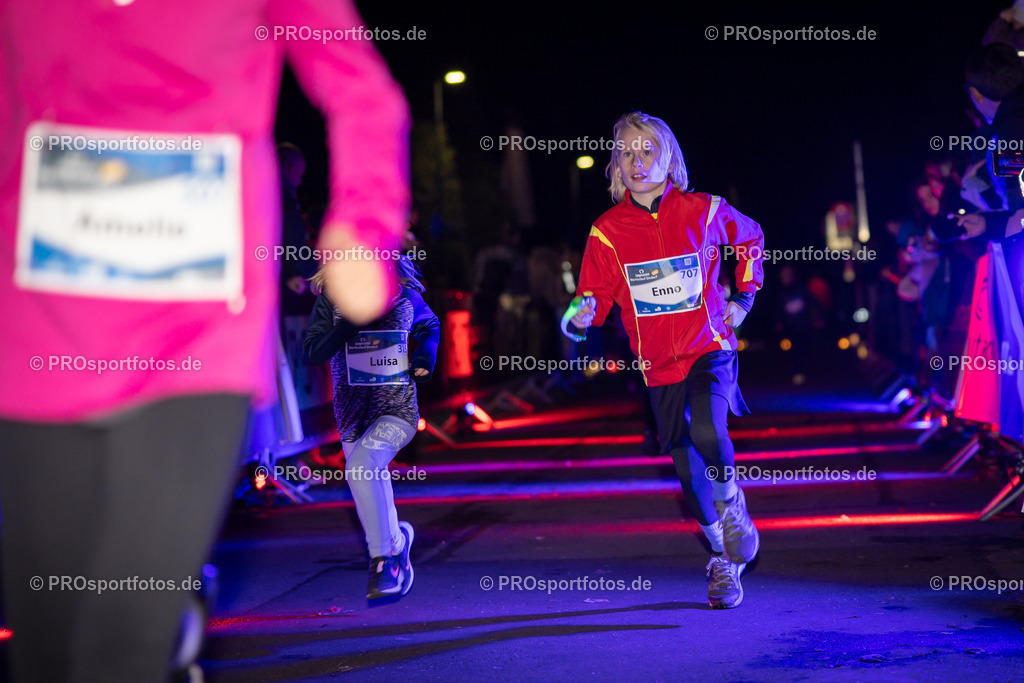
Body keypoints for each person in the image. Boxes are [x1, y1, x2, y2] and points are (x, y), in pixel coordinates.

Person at [0, 1, 409, 680]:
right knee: (46, 642)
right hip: (40, 326)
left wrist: (364, 227)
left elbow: (361, 89)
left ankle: (159, 621)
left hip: (193, 333)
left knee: (116, 643)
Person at [566, 111, 764, 609]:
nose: (637, 160)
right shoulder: (607, 231)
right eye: (627, 152)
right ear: (616, 165)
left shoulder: (705, 208)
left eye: (647, 149)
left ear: (668, 157)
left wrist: (743, 298)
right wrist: (581, 312)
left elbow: (750, 240)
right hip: (656, 365)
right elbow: (593, 294)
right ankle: (722, 557)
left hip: (709, 347)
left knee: (709, 432)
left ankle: (734, 502)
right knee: (688, 474)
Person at [303, 256, 439, 600]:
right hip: (351, 416)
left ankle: (385, 562)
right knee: (366, 475)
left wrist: (423, 359)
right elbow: (312, 353)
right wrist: (347, 324)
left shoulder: (403, 295)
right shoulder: (333, 296)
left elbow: (430, 325)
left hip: (397, 411)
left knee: (362, 468)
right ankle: (397, 542)